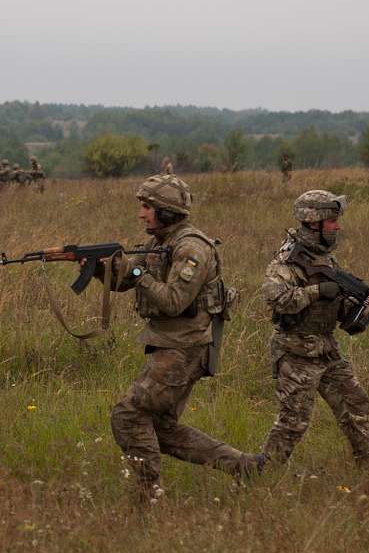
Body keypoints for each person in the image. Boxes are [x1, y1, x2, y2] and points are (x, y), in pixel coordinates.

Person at [96, 173, 263, 501]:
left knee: (128, 415)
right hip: (170, 346)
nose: (141, 214)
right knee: (161, 428)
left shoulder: (190, 248)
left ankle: (148, 494)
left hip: (185, 349)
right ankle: (243, 466)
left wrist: (136, 272)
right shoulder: (160, 242)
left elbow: (173, 301)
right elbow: (124, 281)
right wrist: (96, 268)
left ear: (167, 212)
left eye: (147, 207)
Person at [259, 190, 369, 467]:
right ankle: (259, 476)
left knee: (354, 402)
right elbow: (276, 300)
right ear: (315, 222)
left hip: (326, 348)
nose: (337, 227)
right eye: (332, 221)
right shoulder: (286, 262)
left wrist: (365, 305)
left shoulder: (325, 259)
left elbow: (339, 310)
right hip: (296, 351)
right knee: (293, 423)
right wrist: (316, 291)